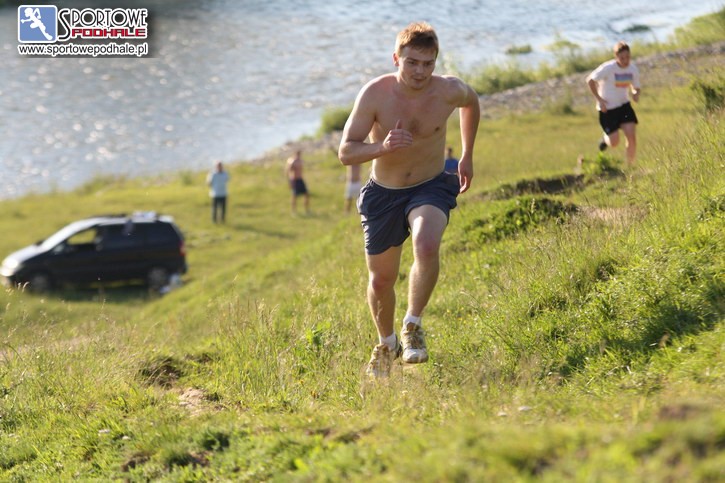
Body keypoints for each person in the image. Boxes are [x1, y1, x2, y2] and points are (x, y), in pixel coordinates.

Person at [338, 21, 480, 378]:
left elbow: (472, 102)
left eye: (428, 63)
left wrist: (466, 155)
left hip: (430, 186)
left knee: (426, 244)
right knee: (381, 281)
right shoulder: (375, 94)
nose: (420, 71)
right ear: (396, 58)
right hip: (383, 194)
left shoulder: (448, 90)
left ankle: (413, 325)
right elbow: (346, 151)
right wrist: (382, 147)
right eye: (412, 62)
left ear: (436, 62)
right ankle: (387, 344)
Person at [586, 41, 641, 166]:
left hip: (624, 106)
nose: (625, 60)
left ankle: (630, 166)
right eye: (622, 58)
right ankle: (605, 140)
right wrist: (599, 99)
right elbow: (590, 80)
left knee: (631, 137)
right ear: (616, 57)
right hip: (608, 109)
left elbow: (636, 87)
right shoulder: (608, 68)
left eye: (627, 57)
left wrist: (635, 93)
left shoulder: (633, 69)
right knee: (614, 143)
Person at [285, 150, 310, 214]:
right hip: (295, 180)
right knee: (294, 196)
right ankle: (294, 211)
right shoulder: (292, 162)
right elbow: (289, 171)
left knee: (306, 194)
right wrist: (290, 181)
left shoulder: (300, 161)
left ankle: (306, 210)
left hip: (300, 179)